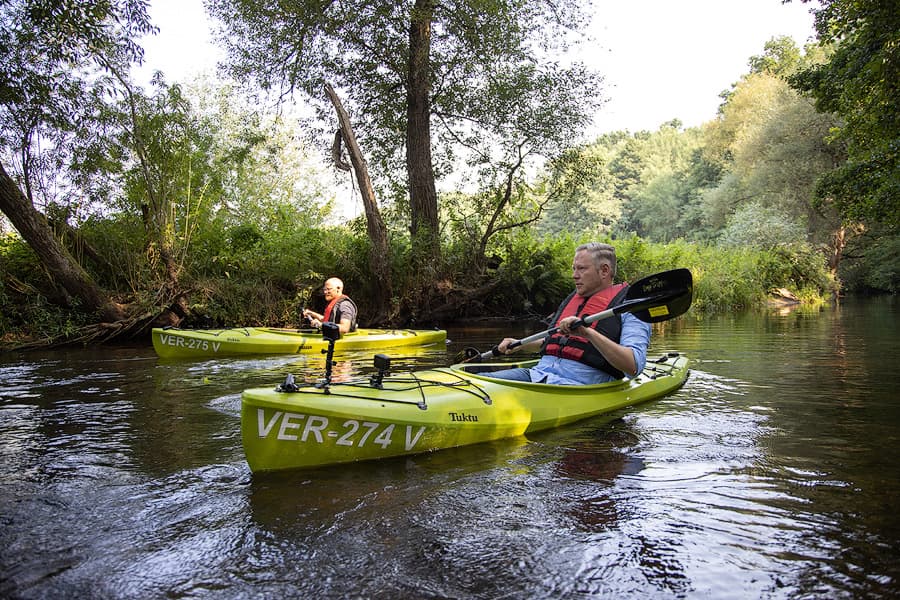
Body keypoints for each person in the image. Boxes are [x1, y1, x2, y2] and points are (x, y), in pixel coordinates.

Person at [489, 242, 651, 385]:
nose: (574, 275)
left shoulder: (630, 307)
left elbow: (633, 366)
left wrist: (588, 333)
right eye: (574, 268)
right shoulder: (573, 299)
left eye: (581, 269)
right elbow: (551, 341)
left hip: (577, 385)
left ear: (604, 271)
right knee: (478, 382)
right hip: (537, 374)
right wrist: (520, 344)